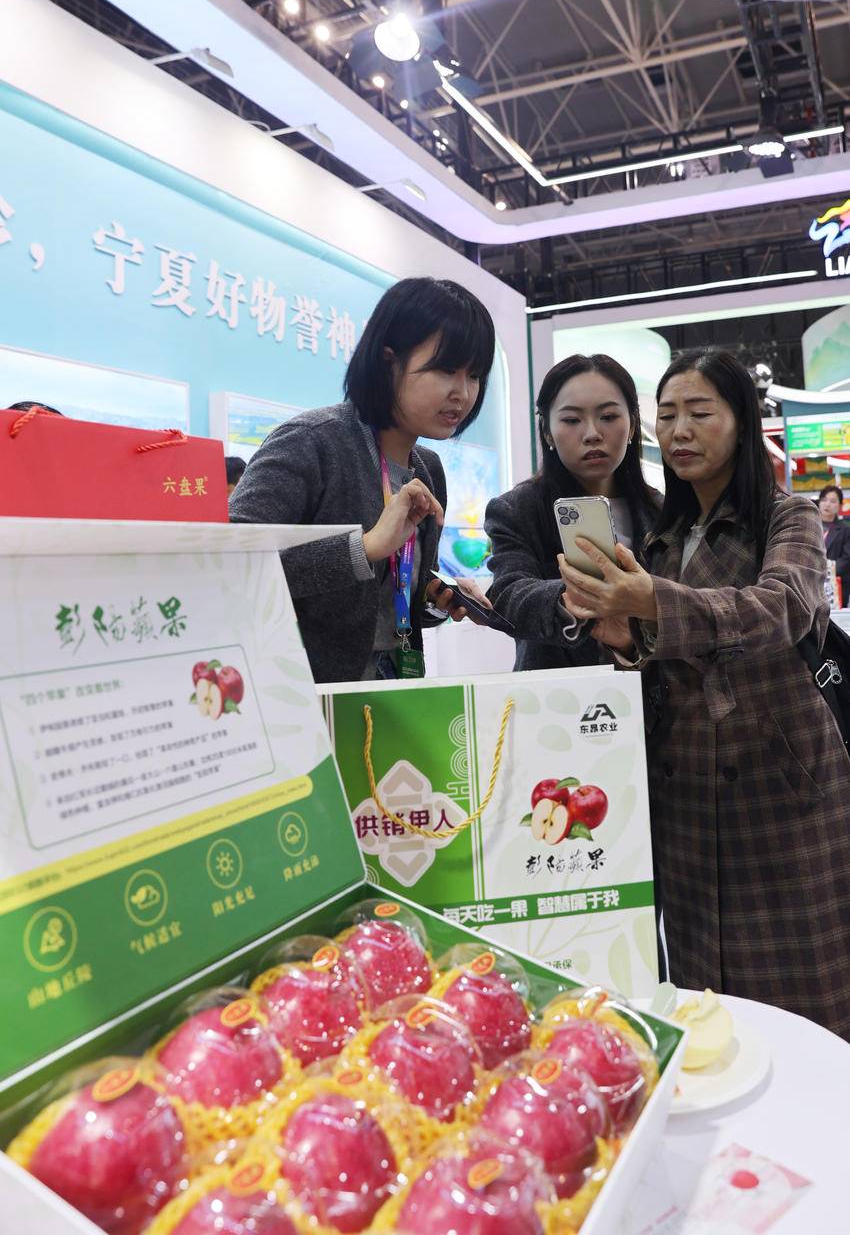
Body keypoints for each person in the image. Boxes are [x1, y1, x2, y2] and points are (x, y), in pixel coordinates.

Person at [559, 347, 850, 1038]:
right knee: (709, 1004)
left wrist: (652, 603)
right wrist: (625, 638)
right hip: (684, 792)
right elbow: (660, 662)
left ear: (742, 421)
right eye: (667, 416)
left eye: (699, 412)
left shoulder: (788, 517)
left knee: (809, 997)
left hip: (780, 783)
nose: (680, 431)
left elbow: (782, 608)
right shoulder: (662, 536)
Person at [230, 277, 496, 683]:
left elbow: (390, 602)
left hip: (395, 687)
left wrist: (435, 596)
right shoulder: (311, 441)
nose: (462, 392)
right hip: (304, 695)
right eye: (446, 370)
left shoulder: (428, 468)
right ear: (389, 361)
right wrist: (365, 547)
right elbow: (232, 565)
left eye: (474, 375)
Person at [484, 354, 659, 670]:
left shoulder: (661, 510)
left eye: (608, 416)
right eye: (571, 420)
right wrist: (573, 598)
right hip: (558, 692)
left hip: (654, 690)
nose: (592, 433)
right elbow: (507, 593)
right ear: (547, 432)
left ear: (633, 424)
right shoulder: (518, 509)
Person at [818, 483, 850, 604]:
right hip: (811, 584)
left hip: (836, 585)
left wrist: (824, 570)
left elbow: (846, 560)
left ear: (840, 506)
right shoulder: (809, 527)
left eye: (832, 501)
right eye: (824, 500)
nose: (827, 504)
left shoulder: (846, 530)